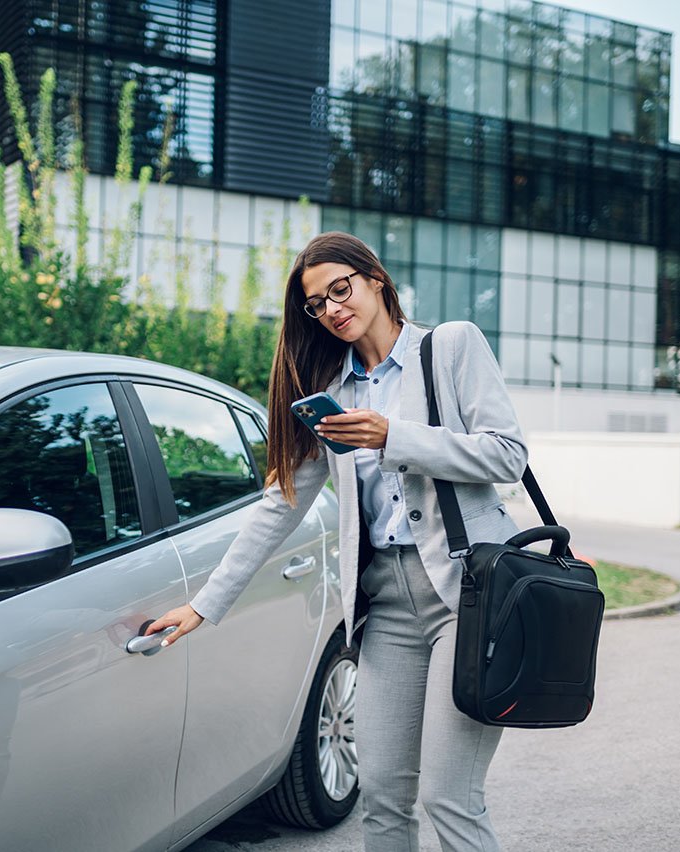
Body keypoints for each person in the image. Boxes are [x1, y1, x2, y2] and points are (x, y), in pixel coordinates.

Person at [146, 231, 528, 852]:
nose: (331, 308)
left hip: (468, 595)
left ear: (375, 279)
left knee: (449, 799)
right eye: (317, 304)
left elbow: (507, 455)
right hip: (386, 608)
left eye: (339, 289)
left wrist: (392, 437)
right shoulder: (333, 391)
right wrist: (204, 604)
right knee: (380, 796)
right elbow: (282, 503)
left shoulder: (451, 345)